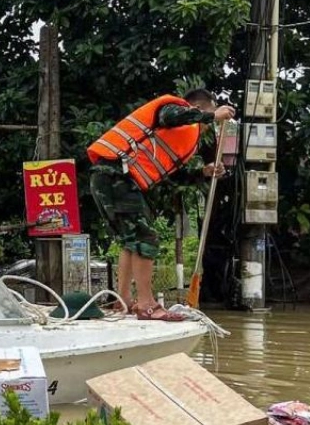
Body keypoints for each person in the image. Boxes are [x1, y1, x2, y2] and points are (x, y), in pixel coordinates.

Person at [87, 88, 235, 321]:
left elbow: (171, 175)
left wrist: (203, 172)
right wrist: (212, 115)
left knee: (131, 240)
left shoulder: (181, 137)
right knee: (145, 238)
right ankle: (147, 305)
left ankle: (123, 300)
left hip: (115, 177)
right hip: (116, 173)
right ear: (197, 109)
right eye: (207, 115)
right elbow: (170, 115)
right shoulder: (174, 111)